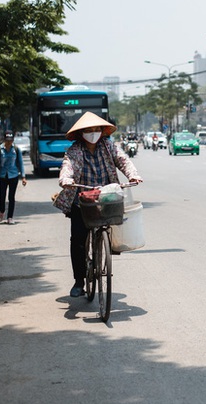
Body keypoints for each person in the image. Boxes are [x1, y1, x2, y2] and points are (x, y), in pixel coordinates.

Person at [53, 112, 143, 298]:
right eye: (88, 130)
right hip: (83, 200)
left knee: (114, 226)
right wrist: (65, 179)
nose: (93, 133)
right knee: (77, 239)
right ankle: (79, 281)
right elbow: (67, 166)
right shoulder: (75, 151)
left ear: (102, 132)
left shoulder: (108, 146)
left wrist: (133, 174)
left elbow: (123, 160)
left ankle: (105, 249)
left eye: (96, 129)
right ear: (81, 133)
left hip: (107, 196)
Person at [0, 130, 27, 224]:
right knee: (2, 196)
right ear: (4, 139)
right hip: (2, 175)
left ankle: (10, 217)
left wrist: (23, 177)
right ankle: (1, 211)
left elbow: (20, 163)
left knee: (11, 197)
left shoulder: (16, 150)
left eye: (11, 140)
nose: (9, 142)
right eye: (7, 140)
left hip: (13, 175)